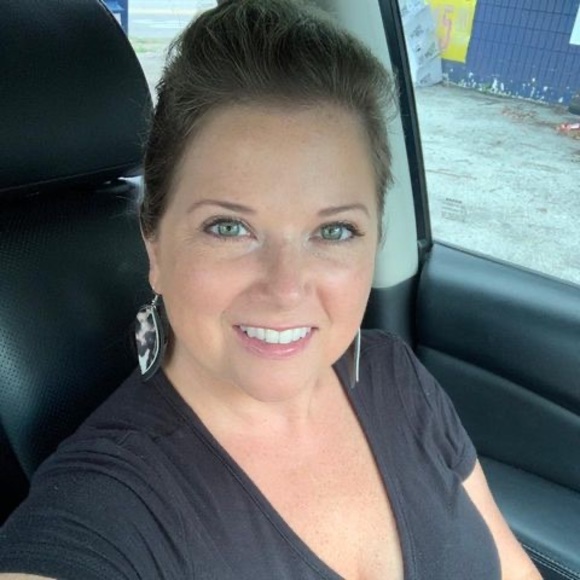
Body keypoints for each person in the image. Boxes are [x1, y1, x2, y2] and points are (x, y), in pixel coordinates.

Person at [0, 1, 541, 578]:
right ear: (153, 245)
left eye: (334, 231)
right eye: (229, 227)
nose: (285, 288)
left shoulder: (398, 379)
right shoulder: (105, 512)